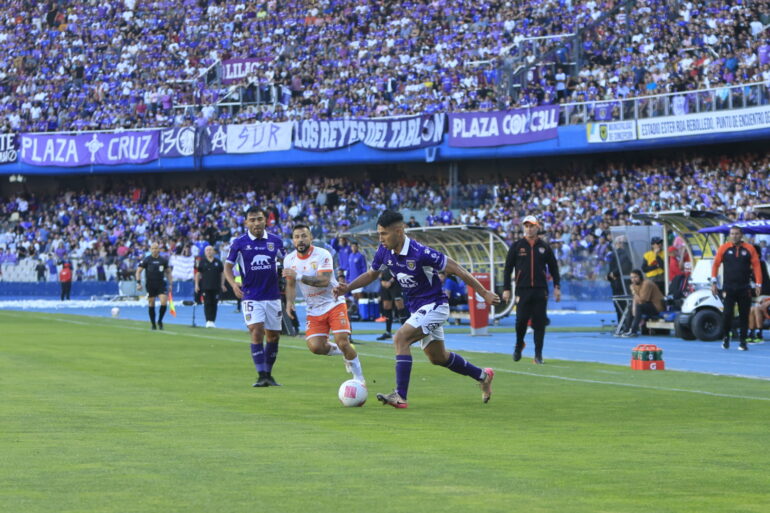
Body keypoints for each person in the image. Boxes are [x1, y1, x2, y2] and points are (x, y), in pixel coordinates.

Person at [334, 210, 499, 408]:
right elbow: (371, 274)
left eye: (384, 234)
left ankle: (400, 395)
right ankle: (483, 376)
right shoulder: (384, 251)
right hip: (418, 309)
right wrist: (348, 288)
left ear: (399, 231)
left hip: (435, 305)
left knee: (400, 338)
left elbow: (457, 269)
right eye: (379, 234)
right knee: (438, 357)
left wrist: (484, 293)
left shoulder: (421, 253)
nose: (380, 238)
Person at [282, 224, 365, 383]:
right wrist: (289, 302)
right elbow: (290, 285)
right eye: (297, 237)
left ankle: (359, 380)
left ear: (311, 238)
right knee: (316, 347)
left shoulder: (322, 254)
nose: (300, 240)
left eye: (304, 236)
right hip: (313, 308)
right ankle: (344, 351)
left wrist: (298, 275)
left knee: (342, 340)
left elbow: (324, 280)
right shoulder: (289, 260)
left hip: (333, 302)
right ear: (292, 240)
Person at [224, 207, 285, 387]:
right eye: (252, 220)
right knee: (256, 331)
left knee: (273, 336)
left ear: (265, 220)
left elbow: (288, 260)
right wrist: (233, 284)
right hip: (251, 295)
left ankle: (268, 374)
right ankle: (261, 375)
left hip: (273, 296)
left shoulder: (275, 241)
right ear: (246, 222)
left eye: (259, 219)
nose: (256, 223)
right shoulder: (239, 243)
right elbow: (227, 266)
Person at [502, 215, 561, 364]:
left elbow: (554, 268)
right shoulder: (517, 246)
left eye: (532, 226)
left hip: (540, 290)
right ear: (524, 228)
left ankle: (538, 355)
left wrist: (557, 287)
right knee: (521, 320)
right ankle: (519, 344)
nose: (529, 229)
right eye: (526, 226)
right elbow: (508, 268)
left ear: (537, 227)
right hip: (522, 290)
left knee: (539, 323)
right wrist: (506, 288)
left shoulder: (544, 247)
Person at [711, 225, 762, 351]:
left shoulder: (749, 248)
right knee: (727, 314)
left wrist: (758, 284)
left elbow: (756, 266)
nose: (734, 236)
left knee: (744, 315)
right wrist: (714, 282)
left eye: (737, 233)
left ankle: (743, 341)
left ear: (741, 235)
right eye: (732, 233)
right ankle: (726, 337)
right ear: (729, 235)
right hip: (728, 287)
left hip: (744, 288)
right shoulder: (724, 248)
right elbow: (715, 264)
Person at [136, 242, 174, 330]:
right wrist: (138, 283)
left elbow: (168, 272)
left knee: (164, 302)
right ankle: (153, 324)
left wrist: (171, 284)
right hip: (150, 285)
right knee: (151, 303)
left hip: (161, 284)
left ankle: (160, 321)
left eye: (156, 248)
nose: (154, 250)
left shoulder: (163, 260)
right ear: (150, 250)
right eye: (153, 248)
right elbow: (138, 271)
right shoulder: (146, 260)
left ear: (159, 249)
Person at [621, 270, 665, 337]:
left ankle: (633, 331)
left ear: (640, 276)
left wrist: (633, 291)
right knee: (631, 306)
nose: (633, 279)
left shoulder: (647, 283)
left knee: (639, 307)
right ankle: (626, 330)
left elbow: (642, 300)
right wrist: (633, 308)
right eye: (632, 277)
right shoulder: (635, 285)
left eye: (635, 277)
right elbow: (636, 299)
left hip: (657, 307)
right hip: (648, 304)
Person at [194, 245, 226, 328]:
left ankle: (213, 320)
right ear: (205, 252)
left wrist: (222, 284)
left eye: (210, 250)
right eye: (207, 250)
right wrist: (196, 285)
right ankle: (208, 320)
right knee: (207, 303)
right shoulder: (202, 262)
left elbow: (222, 273)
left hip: (216, 286)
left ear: (213, 251)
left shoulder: (218, 262)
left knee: (214, 303)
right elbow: (198, 274)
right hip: (205, 286)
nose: (209, 251)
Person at [376, 268, 408, 340]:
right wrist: (381, 280)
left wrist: (391, 281)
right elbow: (377, 269)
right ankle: (388, 332)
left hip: (396, 283)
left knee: (399, 305)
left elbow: (400, 268)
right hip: (384, 281)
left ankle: (406, 333)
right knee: (386, 306)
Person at [607, 236, 632, 326]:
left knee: (622, 304)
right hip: (617, 282)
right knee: (619, 304)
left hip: (622, 282)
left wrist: (612, 274)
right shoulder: (615, 254)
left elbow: (624, 267)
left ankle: (625, 324)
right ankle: (622, 324)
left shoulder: (625, 254)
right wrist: (610, 275)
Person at [346, 241, 367, 311]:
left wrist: (364, 278)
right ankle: (358, 312)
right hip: (352, 280)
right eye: (352, 246)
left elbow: (364, 268)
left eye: (355, 246)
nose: (354, 248)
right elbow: (348, 268)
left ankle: (363, 312)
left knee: (360, 296)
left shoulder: (360, 256)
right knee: (354, 296)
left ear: (357, 247)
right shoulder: (350, 256)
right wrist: (347, 278)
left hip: (359, 280)